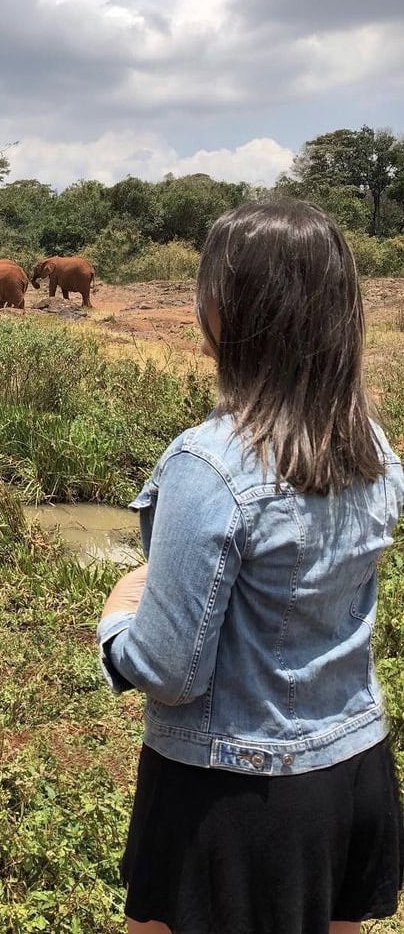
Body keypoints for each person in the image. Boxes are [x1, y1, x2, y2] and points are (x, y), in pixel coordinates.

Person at [98, 199, 404, 934]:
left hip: (231, 795)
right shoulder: (370, 443)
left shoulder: (208, 463)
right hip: (355, 767)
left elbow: (170, 671)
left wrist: (115, 620)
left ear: (225, 312)